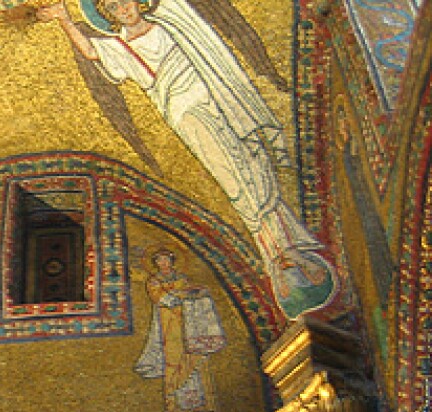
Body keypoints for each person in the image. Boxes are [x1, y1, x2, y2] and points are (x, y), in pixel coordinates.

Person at [37, 0, 335, 319]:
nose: (123, 8)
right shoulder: (119, 46)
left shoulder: (171, 20)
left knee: (254, 159)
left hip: (214, 94)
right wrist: (65, 19)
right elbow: (93, 52)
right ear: (107, 15)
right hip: (184, 110)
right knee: (232, 174)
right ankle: (276, 251)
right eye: (113, 5)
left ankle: (289, 246)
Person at [134, 248, 225, 412]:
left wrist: (193, 292)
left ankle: (199, 406)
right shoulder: (154, 281)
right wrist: (177, 296)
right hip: (168, 325)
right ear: (156, 263)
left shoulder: (182, 278)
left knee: (192, 357)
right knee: (173, 360)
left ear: (172, 261)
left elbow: (189, 293)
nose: (164, 263)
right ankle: (174, 408)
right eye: (160, 260)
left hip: (188, 323)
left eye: (166, 259)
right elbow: (159, 297)